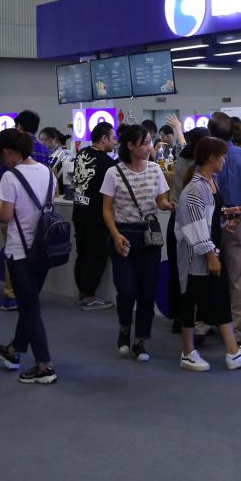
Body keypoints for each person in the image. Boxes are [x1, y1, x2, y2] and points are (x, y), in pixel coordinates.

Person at [174, 135, 241, 373]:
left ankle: (232, 351)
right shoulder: (195, 189)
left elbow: (209, 215)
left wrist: (227, 213)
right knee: (191, 301)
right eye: (222, 156)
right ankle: (188, 352)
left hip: (209, 251)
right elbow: (195, 226)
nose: (225, 160)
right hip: (196, 258)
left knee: (219, 299)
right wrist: (211, 256)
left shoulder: (209, 182)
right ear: (211, 158)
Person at [100, 124, 173, 361]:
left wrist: (166, 205)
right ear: (130, 146)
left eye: (150, 142)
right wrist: (115, 235)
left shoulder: (155, 169)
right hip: (123, 234)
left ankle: (141, 340)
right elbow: (107, 209)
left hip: (149, 234)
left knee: (147, 290)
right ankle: (124, 328)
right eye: (145, 143)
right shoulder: (113, 173)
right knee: (126, 289)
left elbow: (160, 199)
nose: (149, 147)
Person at [0, 129, 57, 385]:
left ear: (8, 151)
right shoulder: (47, 172)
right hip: (44, 249)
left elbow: (6, 215)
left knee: (30, 309)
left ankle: (44, 365)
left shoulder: (10, 177)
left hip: (20, 251)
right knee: (29, 304)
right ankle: (14, 350)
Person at [205, 113, 241, 345]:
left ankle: (201, 325)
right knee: (238, 279)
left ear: (210, 132)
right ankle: (237, 331)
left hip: (209, 222)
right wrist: (240, 212)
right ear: (234, 132)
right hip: (238, 223)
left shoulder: (206, 158)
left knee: (204, 273)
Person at [71, 122, 117, 311]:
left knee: (82, 253)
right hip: (97, 215)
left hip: (79, 211)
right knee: (96, 255)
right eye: (113, 138)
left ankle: (83, 293)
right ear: (104, 139)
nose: (115, 142)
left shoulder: (81, 153)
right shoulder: (107, 163)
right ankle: (90, 298)